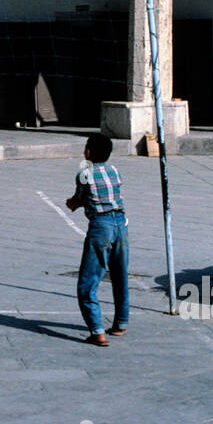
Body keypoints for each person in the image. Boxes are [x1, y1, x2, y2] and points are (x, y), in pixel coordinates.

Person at [65, 132, 129, 347]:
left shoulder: (85, 173)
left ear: (89, 151)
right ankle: (120, 323)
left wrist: (71, 203)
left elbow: (78, 200)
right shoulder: (114, 170)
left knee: (87, 282)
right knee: (120, 276)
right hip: (120, 223)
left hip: (101, 227)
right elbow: (106, 195)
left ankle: (97, 331)